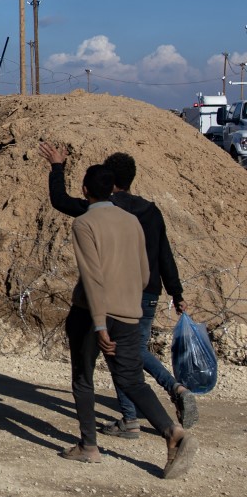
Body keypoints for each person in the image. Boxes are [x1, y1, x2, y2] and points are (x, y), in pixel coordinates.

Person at [38, 142, 198, 433]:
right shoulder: (150, 211)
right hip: (147, 290)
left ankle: (145, 408)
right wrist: (176, 293)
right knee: (130, 356)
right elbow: (165, 254)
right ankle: (148, 409)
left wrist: (57, 167)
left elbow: (60, 200)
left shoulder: (100, 210)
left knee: (120, 359)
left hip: (111, 294)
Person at [61, 164, 196, 478]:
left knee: (83, 377)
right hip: (130, 311)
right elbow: (146, 272)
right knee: (132, 380)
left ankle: (89, 447)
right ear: (114, 190)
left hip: (93, 314)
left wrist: (98, 323)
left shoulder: (84, 223)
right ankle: (172, 434)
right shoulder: (133, 221)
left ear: (84, 190)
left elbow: (93, 278)